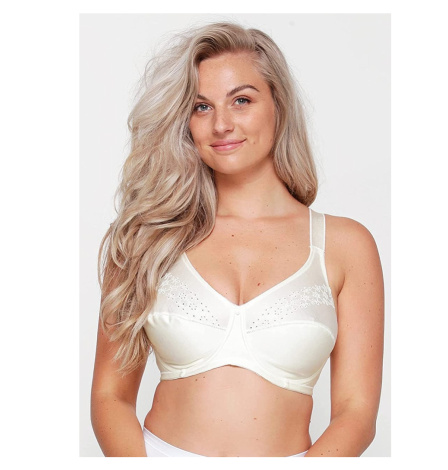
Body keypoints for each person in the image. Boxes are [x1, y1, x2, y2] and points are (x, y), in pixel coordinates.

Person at [90, 21, 384, 457]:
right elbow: (109, 396)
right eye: (201, 107)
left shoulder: (345, 246)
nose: (221, 124)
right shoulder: (146, 238)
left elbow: (355, 412)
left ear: (278, 105)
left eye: (241, 100)